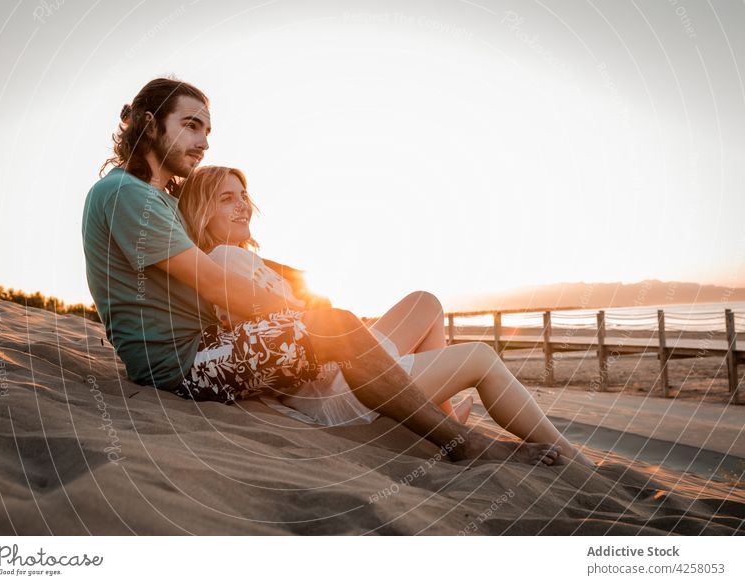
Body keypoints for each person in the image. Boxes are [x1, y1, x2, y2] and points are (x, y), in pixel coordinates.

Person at [82, 76, 569, 468]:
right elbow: (214, 283)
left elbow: (209, 262)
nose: (204, 141)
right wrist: (302, 313)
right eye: (190, 125)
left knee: (341, 322)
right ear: (149, 124)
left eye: (207, 130)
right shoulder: (128, 194)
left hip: (198, 355)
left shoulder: (152, 199)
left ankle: (423, 412)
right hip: (184, 367)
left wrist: (286, 282)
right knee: (332, 324)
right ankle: (462, 443)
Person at [175, 165, 594, 467]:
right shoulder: (224, 259)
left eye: (243, 195)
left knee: (425, 302)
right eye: (226, 199)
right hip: (336, 390)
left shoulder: (241, 259)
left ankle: (441, 415)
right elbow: (287, 329)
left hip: (340, 372)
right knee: (480, 357)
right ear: (202, 213)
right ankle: (576, 463)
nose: (242, 206)